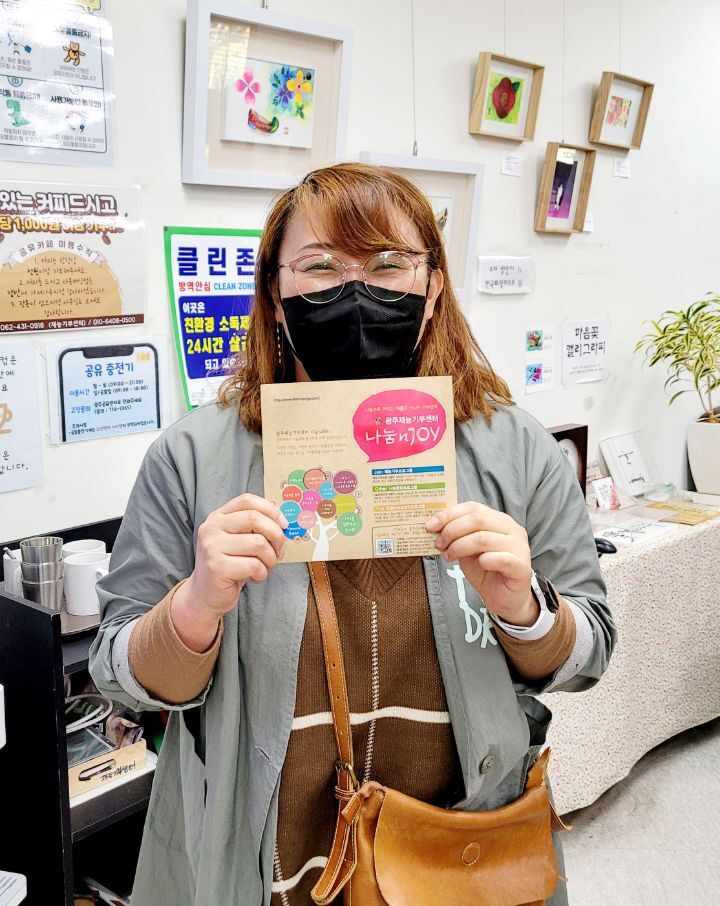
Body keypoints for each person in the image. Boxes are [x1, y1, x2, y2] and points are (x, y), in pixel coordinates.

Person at [89, 162, 615, 906]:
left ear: (433, 290)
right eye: (320, 266)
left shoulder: (516, 449)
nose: (356, 292)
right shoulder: (192, 459)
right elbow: (117, 672)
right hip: (265, 859)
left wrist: (527, 612)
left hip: (461, 854)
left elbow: (592, 652)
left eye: (389, 264)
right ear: (276, 295)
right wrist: (194, 608)